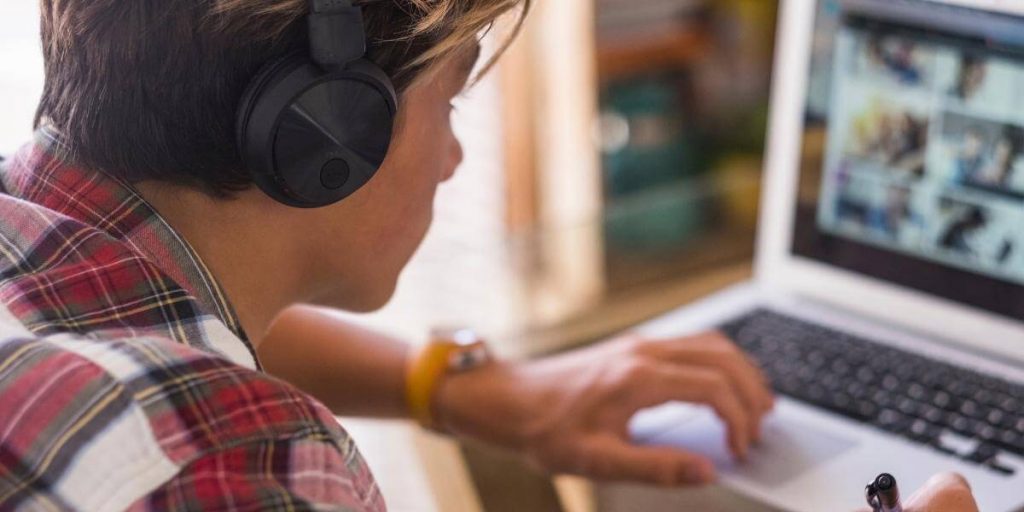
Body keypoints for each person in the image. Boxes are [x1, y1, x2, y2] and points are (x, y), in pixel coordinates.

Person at [0, 1, 978, 510]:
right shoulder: (242, 467)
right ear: (328, 133)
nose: (455, 157)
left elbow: (157, 331)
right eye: (452, 97)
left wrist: (463, 388)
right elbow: (199, 415)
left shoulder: (45, 248)